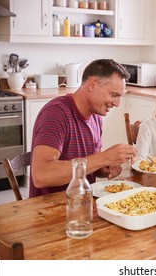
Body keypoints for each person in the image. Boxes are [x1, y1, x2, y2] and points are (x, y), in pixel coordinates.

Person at [30, 59, 137, 197]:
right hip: (49, 209)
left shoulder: (96, 116)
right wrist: (103, 158)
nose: (117, 103)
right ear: (92, 84)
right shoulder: (56, 113)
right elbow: (41, 176)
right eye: (114, 95)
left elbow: (87, 162)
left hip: (83, 202)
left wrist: (102, 167)